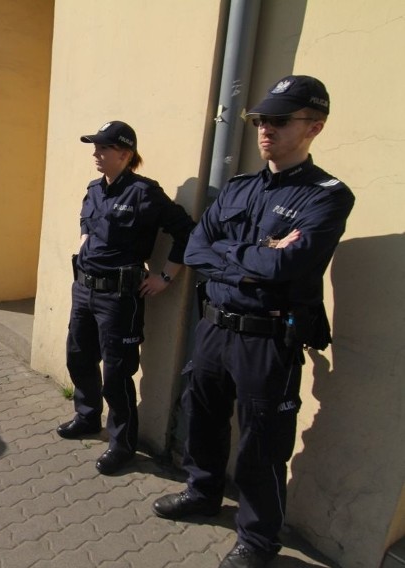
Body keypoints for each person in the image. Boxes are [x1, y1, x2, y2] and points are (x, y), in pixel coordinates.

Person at [151, 76, 355, 568]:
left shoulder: (327, 195)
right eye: (262, 120)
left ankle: (258, 540)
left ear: (315, 126)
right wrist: (256, 254)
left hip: (268, 339)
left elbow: (287, 267)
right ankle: (202, 493)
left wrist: (242, 256)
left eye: (279, 120)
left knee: (262, 444)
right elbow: (198, 248)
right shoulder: (240, 187)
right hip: (215, 327)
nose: (266, 129)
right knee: (202, 420)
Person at [58, 120, 195, 475]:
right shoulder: (94, 189)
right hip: (84, 289)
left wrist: (166, 276)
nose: (96, 154)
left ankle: (123, 445)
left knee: (117, 372)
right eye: (95, 148)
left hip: (119, 298)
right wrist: (84, 249)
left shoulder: (145, 194)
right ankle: (87, 417)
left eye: (103, 148)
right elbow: (88, 228)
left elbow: (186, 231)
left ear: (125, 154)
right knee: (78, 356)